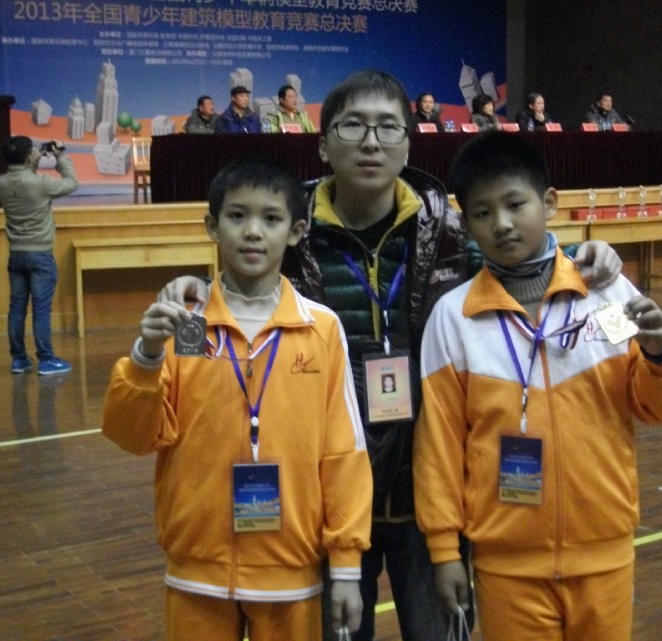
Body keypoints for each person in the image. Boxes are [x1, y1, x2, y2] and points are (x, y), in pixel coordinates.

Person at [158, 70, 623, 641]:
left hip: (426, 493)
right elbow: (240, 285)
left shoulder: (450, 229)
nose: (371, 142)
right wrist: (190, 288)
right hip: (325, 501)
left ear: (409, 142)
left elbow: (522, 255)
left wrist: (582, 255)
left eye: (387, 127)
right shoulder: (288, 226)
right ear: (323, 143)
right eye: (353, 126)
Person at [414, 132, 662, 641]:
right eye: (482, 213)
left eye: (515, 204)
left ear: (549, 203)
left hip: (604, 553)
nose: (501, 223)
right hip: (506, 566)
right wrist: (444, 550)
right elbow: (439, 448)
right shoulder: (452, 318)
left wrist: (660, 353)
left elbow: (656, 406)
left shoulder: (604, 292)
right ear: (466, 223)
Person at [102, 157, 373, 641]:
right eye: (237, 216)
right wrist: (146, 355)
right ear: (212, 226)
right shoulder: (186, 323)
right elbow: (134, 437)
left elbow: (344, 453)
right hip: (198, 566)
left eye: (271, 218)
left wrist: (347, 565)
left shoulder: (321, 328)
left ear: (296, 231)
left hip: (290, 566)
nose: (252, 232)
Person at [0, 136, 78, 376]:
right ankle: (46, 359)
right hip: (40, 255)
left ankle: (19, 360)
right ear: (27, 156)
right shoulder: (40, 183)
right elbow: (71, 183)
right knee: (41, 309)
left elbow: (21, 178)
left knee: (17, 308)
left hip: (16, 254)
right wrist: (60, 157)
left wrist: (32, 160)